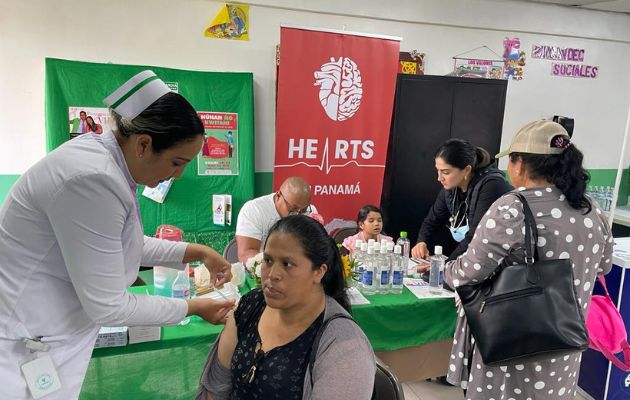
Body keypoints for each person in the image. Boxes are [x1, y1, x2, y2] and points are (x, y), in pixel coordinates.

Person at [0, 70, 235, 399]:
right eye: (177, 162)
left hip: (46, 334)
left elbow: (124, 244)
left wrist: (198, 252)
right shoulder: (92, 179)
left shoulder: (106, 162)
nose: (178, 175)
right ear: (143, 144)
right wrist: (193, 307)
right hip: (24, 345)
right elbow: (109, 307)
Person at [444, 119, 614, 399]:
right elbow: (603, 266)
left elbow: (469, 271)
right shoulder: (590, 208)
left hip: (514, 350)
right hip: (563, 346)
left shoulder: (513, 208)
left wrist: (446, 270)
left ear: (519, 163)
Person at [197, 215, 375, 399]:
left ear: (319, 272)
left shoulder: (344, 348)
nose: (272, 275)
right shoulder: (251, 305)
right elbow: (216, 387)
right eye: (268, 260)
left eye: (287, 264)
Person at [411, 139, 512, 262]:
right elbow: (432, 220)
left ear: (467, 170)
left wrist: (447, 266)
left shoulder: (491, 186)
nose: (439, 178)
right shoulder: (450, 189)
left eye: (445, 172)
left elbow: (475, 235)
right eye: (438, 170)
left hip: (496, 260)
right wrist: (421, 242)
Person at [235, 176, 318, 263]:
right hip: (264, 269)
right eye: (292, 209)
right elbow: (246, 253)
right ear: (278, 196)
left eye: (303, 210)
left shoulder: (310, 212)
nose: (297, 215)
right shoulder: (254, 210)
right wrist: (277, 266)